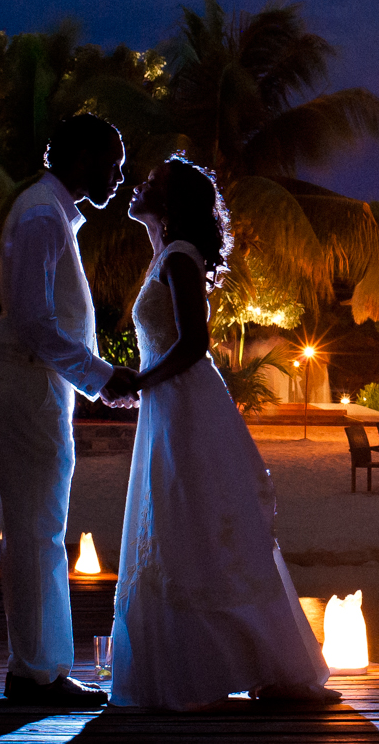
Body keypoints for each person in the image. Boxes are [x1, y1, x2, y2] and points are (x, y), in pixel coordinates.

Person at [110, 156, 337, 709]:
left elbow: (191, 345)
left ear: (169, 205)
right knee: (180, 524)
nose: (140, 186)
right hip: (170, 404)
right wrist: (144, 387)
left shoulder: (181, 258)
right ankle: (198, 669)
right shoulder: (164, 257)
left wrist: (139, 380)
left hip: (186, 405)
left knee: (195, 521)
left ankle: (249, 665)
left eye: (152, 182)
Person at [0, 113, 139, 707]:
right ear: (81, 158)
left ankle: (38, 669)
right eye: (113, 163)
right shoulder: (45, 216)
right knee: (35, 531)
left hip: (32, 384)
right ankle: (35, 674)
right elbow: (35, 324)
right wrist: (102, 378)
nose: (120, 177)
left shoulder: (46, 212)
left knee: (37, 528)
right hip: (27, 384)